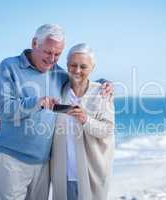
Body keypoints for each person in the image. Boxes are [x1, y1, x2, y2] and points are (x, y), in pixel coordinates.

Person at [0, 24, 112, 200]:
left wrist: (106, 83)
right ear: (34, 43)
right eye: (48, 52)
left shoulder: (57, 73)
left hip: (44, 163)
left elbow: (81, 78)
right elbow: (3, 108)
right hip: (11, 159)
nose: (52, 59)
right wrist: (37, 102)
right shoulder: (9, 66)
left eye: (57, 54)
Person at [50, 43, 115, 200]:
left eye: (83, 66)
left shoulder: (101, 93)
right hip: (63, 173)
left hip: (91, 173)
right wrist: (3, 118)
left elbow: (107, 129)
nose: (77, 71)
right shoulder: (59, 91)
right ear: (67, 65)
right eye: (73, 65)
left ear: (92, 68)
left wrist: (85, 120)